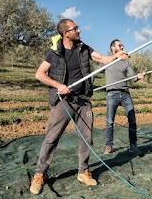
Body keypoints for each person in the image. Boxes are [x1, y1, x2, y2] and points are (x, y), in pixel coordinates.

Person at [29, 19, 128, 195]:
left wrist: (117, 55)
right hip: (63, 101)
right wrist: (58, 85)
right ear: (65, 33)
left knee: (87, 138)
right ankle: (39, 174)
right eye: (75, 29)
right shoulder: (54, 53)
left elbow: (103, 59)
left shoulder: (84, 48)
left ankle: (83, 171)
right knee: (52, 137)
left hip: (83, 100)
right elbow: (39, 74)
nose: (79, 30)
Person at [103, 39, 144, 156]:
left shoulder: (126, 62)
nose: (122, 47)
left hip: (125, 94)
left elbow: (132, 77)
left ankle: (133, 146)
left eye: (122, 45)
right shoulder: (107, 61)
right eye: (119, 45)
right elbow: (94, 74)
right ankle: (108, 146)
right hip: (112, 94)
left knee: (132, 121)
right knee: (110, 122)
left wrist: (138, 76)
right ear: (113, 48)